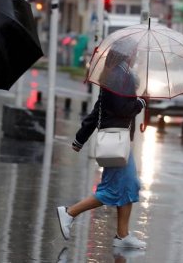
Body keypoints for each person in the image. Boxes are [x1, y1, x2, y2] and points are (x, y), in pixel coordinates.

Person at [56, 39, 147, 249]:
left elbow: (98, 109)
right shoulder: (119, 76)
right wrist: (141, 102)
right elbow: (121, 108)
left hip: (119, 139)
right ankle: (69, 212)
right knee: (112, 190)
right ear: (127, 55)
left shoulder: (118, 74)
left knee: (129, 185)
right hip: (116, 139)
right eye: (134, 52)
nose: (136, 56)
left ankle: (122, 236)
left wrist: (81, 137)